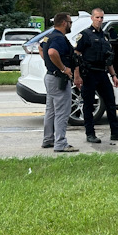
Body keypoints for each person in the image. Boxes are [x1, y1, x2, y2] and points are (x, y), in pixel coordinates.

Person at [73, 8, 118, 143]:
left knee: (110, 102)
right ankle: (90, 134)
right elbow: (76, 56)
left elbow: (108, 58)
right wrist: (77, 76)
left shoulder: (104, 36)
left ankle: (115, 132)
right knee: (88, 104)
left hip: (102, 72)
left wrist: (114, 75)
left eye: (101, 18)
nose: (99, 20)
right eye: (97, 17)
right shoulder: (85, 35)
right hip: (89, 73)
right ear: (92, 18)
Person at [40, 13, 78, 152]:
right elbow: (51, 52)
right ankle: (60, 143)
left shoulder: (49, 36)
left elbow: (41, 47)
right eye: (70, 22)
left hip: (50, 77)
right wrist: (63, 68)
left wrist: (50, 64)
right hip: (58, 79)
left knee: (50, 111)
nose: (71, 25)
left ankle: (48, 140)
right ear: (64, 23)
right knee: (62, 112)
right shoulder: (59, 38)